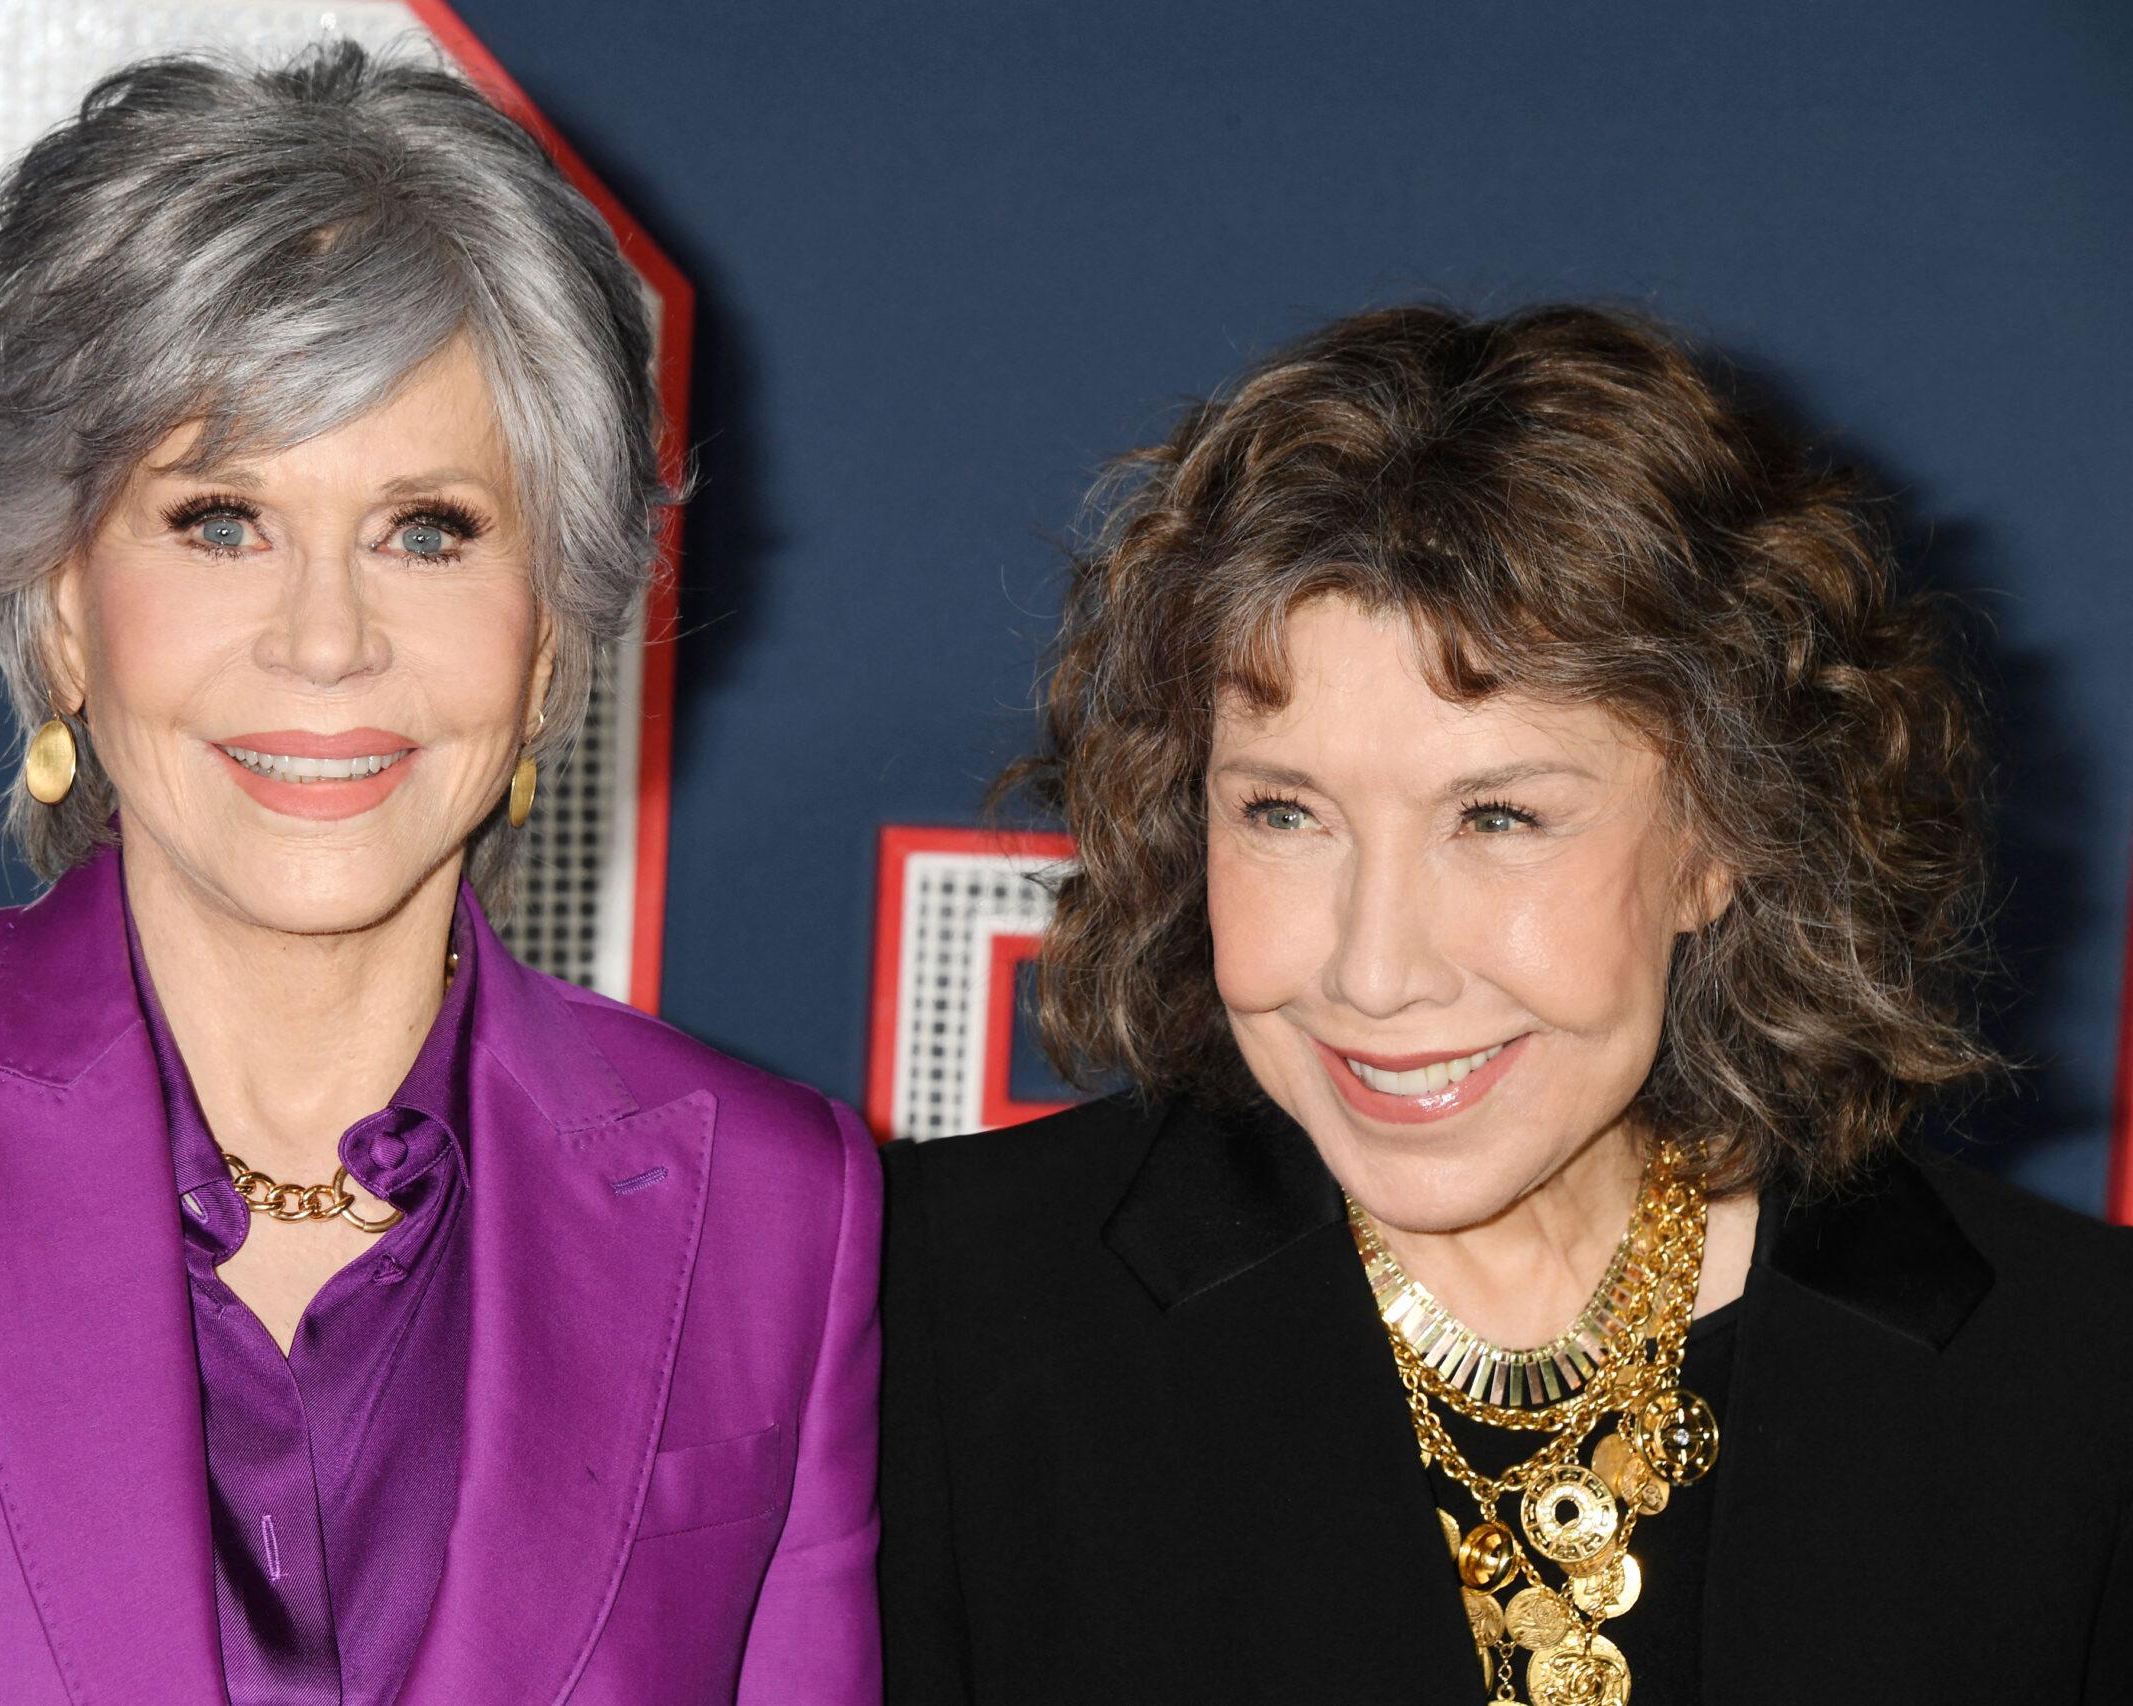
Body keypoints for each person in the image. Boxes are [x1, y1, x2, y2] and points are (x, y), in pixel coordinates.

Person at [0, 41, 879, 1706]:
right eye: (218, 518)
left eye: (429, 528)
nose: (326, 641)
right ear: (59, 599)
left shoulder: (776, 1210)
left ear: (552, 629)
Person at [878, 304, 2133, 1705]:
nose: (1376, 965)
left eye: (1498, 817)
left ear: (1726, 836)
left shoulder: (2075, 1385)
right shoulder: (930, 1318)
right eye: (1284, 810)